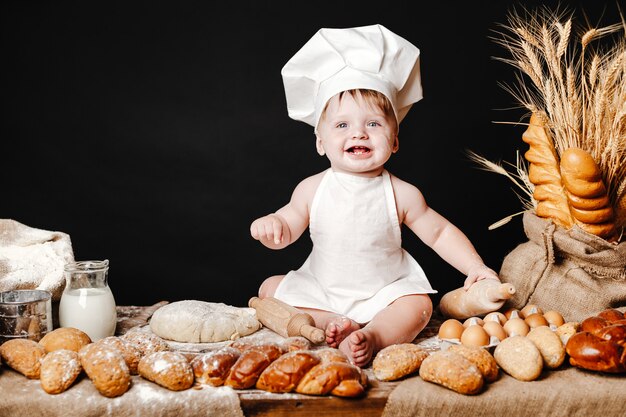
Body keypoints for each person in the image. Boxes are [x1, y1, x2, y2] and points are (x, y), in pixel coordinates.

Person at [250, 24, 499, 367]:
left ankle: (375, 335)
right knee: (270, 287)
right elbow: (288, 228)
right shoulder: (311, 188)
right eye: (342, 125)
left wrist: (476, 268)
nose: (358, 133)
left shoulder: (402, 193)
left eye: (373, 124)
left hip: (386, 292)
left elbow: (439, 233)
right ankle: (329, 324)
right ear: (320, 143)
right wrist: (273, 227)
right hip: (321, 289)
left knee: (419, 304)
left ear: (394, 141)